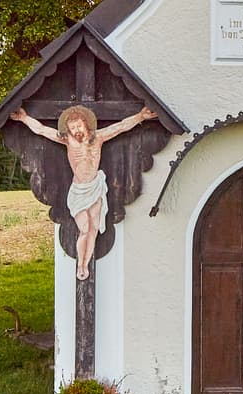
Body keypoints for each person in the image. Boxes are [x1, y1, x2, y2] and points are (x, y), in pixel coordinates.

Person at [10, 103, 158, 280]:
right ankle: (80, 264)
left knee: (94, 228)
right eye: (72, 128)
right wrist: (24, 118)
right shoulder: (67, 140)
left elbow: (120, 127)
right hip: (79, 191)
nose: (76, 130)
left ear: (86, 124)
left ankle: (86, 263)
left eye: (78, 126)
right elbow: (42, 130)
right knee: (84, 228)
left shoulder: (98, 138)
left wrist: (141, 116)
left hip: (95, 187)